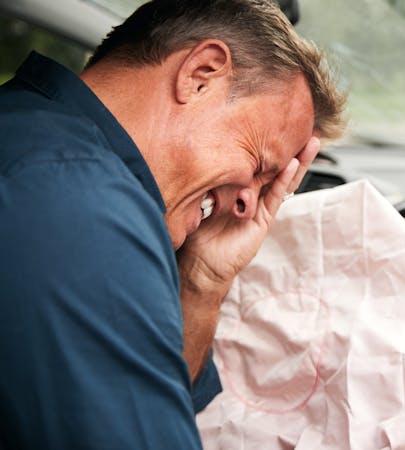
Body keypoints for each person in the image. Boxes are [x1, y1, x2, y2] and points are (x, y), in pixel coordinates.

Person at [0, 0, 346, 448]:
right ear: (201, 74)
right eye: (259, 165)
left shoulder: (36, 137)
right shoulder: (84, 202)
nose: (247, 203)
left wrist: (204, 282)